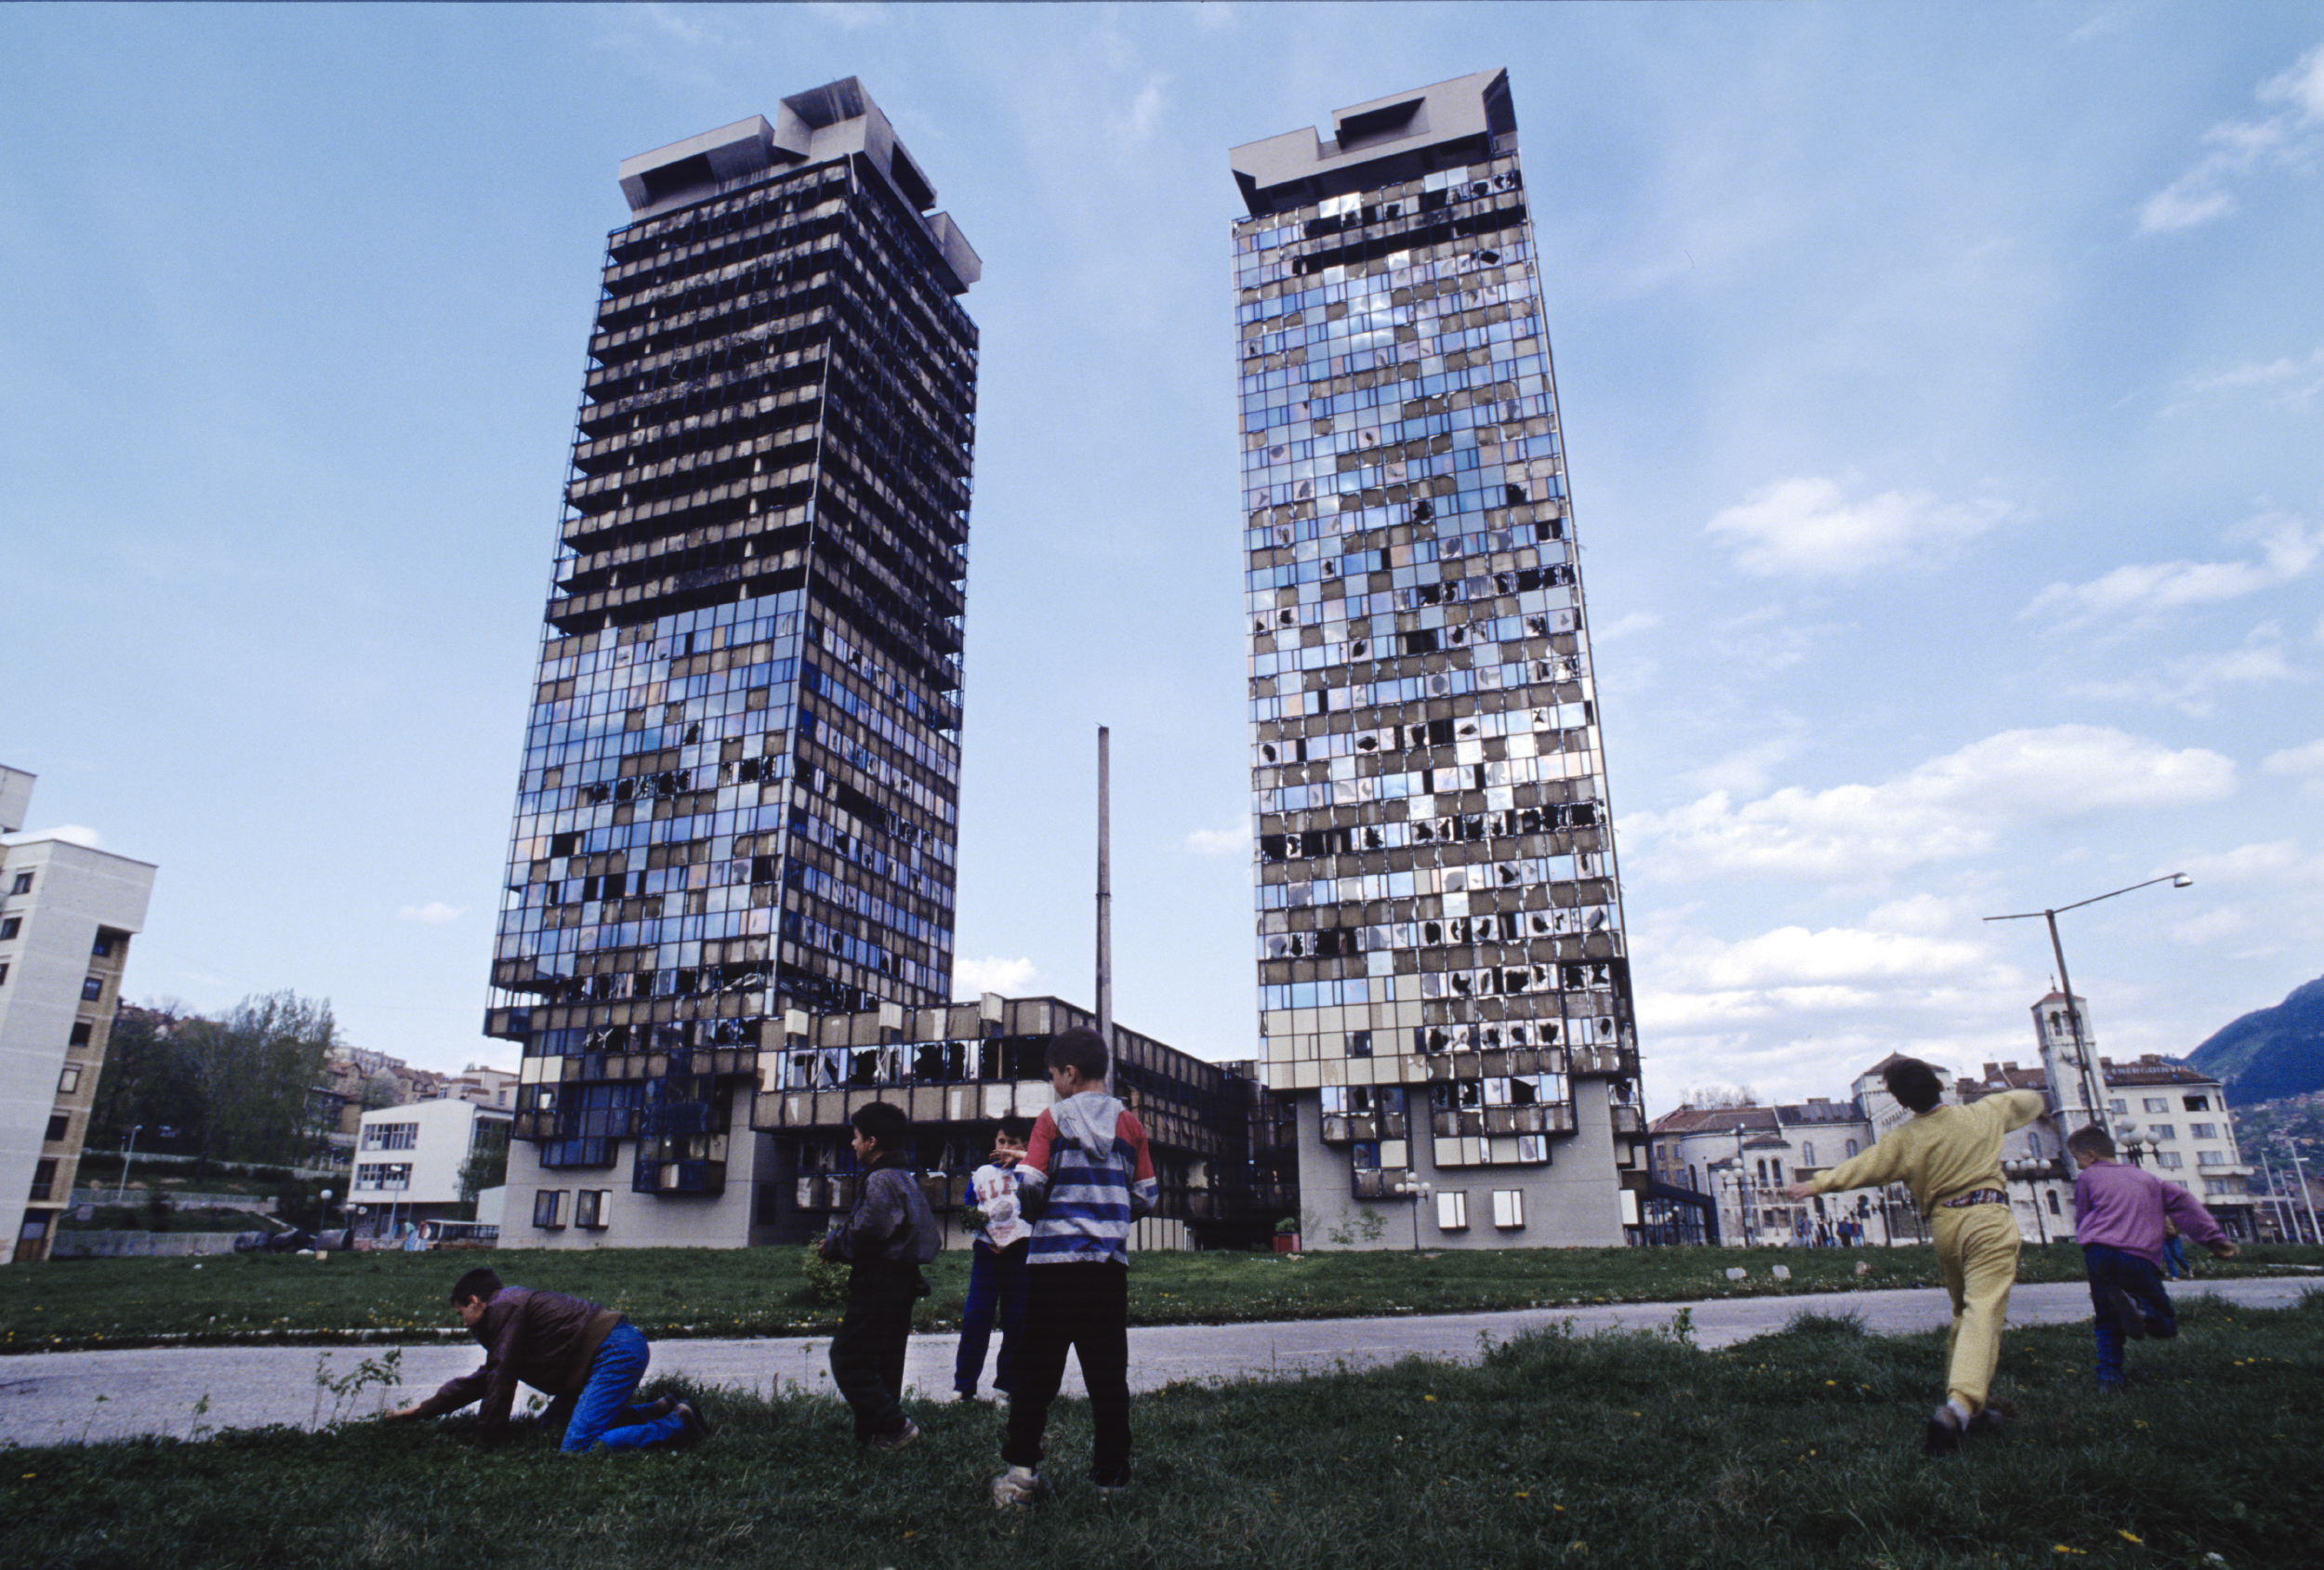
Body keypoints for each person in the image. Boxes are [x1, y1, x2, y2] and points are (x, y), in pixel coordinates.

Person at [1781, 1058, 2045, 1455]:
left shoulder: (1903, 1139)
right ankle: (1958, 1407)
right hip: (1988, 1217)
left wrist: (1815, 1185)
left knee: (1965, 1313)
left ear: (1902, 1103)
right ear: (1940, 1087)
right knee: (1983, 1310)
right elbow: (2031, 1101)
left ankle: (1971, 1410)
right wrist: (2006, 1098)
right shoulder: (1984, 1113)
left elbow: (1862, 1167)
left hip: (1945, 1227)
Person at [992, 1026, 1156, 1507]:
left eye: (1052, 1076)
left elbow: (1031, 1183)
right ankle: (1111, 1481)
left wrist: (1037, 1208)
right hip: (1106, 1268)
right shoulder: (1131, 1126)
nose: (1052, 1086)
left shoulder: (1051, 1120)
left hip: (1052, 1269)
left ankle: (1021, 1476)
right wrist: (1112, 1212)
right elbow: (1147, 1195)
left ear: (1069, 1072)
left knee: (1035, 1373)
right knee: (1107, 1376)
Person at [384, 1267, 701, 1451]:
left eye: (461, 1313)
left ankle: (677, 1424)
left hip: (613, 1352)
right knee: (548, 1428)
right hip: (601, 1354)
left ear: (475, 1301)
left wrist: (485, 1442)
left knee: (577, 1447)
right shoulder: (507, 1311)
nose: (464, 1322)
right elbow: (486, 1378)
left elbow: (500, 1379)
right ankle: (656, 1409)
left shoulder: (503, 1308)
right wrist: (422, 1411)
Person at [2066, 1125, 2238, 1390]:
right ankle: (2145, 1314)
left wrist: (2085, 1241)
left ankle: (2109, 1377)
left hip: (2099, 1253)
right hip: (2139, 1256)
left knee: (2107, 1318)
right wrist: (2215, 1241)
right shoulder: (2149, 1180)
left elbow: (2082, 1216)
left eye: (2077, 1159)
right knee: (2165, 1322)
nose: (2078, 1166)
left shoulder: (2088, 1178)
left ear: (2091, 1155)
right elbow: (2187, 1205)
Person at [823, 1099, 939, 1451]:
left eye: (856, 1137)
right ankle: (879, 1436)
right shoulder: (903, 1177)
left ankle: (894, 1426)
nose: (853, 1143)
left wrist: (833, 1245)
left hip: (880, 1279)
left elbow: (869, 1230)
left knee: (849, 1358)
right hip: (902, 1279)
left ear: (872, 1142)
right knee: (884, 1361)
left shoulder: (880, 1180)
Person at [955, 1115, 1034, 1403]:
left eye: (1012, 1143)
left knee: (1017, 1320)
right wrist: (978, 1224)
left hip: (1020, 1250)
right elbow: (968, 1208)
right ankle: (964, 1387)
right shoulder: (982, 1174)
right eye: (1001, 1141)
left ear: (1024, 1146)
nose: (1005, 1148)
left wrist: (1025, 1161)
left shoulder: (1029, 1173)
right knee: (976, 1318)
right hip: (987, 1251)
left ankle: (1007, 1386)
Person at [2160, 1217, 2193, 1281]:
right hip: (2162, 1239)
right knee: (2168, 1258)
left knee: (2178, 1256)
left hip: (2173, 1238)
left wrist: (2175, 1232)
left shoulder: (2170, 1214)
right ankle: (2174, 1276)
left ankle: (2188, 1270)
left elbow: (2180, 1223)